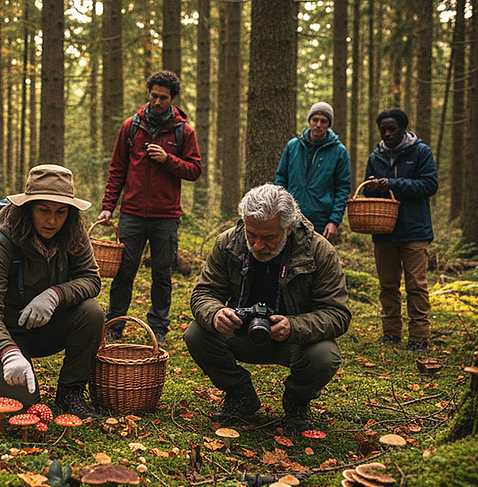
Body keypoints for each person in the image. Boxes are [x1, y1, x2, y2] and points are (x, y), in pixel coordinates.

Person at [184, 184, 351, 427]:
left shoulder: (319, 251)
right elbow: (204, 293)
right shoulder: (228, 242)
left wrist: (293, 326)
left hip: (293, 340)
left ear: (289, 227)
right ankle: (240, 395)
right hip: (240, 333)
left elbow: (337, 314)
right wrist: (216, 313)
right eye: (251, 234)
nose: (258, 245)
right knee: (196, 333)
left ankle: (297, 400)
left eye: (269, 237)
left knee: (324, 355)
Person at [0, 165, 104, 418]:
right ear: (28, 208)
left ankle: (71, 392)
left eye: (61, 212)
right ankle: (8, 365)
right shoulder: (1, 242)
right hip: (0, 333)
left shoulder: (74, 234)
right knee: (24, 409)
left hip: (44, 329)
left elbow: (91, 279)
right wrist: (8, 352)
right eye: (43, 210)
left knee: (92, 312)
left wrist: (55, 295)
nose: (52, 220)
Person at [98, 70, 201, 347]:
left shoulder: (183, 131)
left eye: (163, 98)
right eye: (153, 95)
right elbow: (117, 169)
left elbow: (194, 170)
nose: (157, 101)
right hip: (131, 214)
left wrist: (168, 160)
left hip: (166, 216)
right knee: (123, 273)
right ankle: (114, 326)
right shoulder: (130, 126)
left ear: (173, 99)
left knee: (162, 273)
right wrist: (108, 207)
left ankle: (158, 329)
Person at [363, 108, 438, 353]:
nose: (386, 133)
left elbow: (429, 184)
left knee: (416, 285)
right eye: (383, 129)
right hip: (383, 231)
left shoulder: (420, 152)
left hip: (415, 231)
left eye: (391, 129)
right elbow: (366, 189)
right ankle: (391, 334)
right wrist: (373, 187)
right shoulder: (376, 157)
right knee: (387, 285)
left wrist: (394, 184)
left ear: (403, 128)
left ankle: (419, 337)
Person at [274, 102, 351, 243]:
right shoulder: (293, 146)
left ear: (329, 124)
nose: (318, 125)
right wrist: (280, 209)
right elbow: (281, 178)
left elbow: (343, 188)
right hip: (291, 216)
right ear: (309, 121)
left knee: (318, 261)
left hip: (321, 220)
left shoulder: (339, 151)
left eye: (323, 121)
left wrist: (334, 221)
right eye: (315, 120)